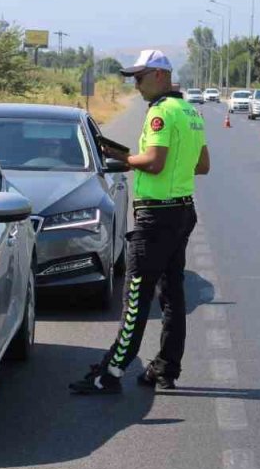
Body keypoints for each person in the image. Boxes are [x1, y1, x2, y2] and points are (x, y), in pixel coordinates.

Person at [70, 49, 210, 394]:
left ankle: (110, 373)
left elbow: (155, 163)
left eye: (140, 77)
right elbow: (202, 164)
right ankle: (165, 368)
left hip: (156, 217)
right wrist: (162, 163)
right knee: (172, 294)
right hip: (182, 211)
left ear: (160, 75)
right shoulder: (190, 111)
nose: (136, 84)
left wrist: (125, 158)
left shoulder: (160, 112)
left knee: (136, 296)